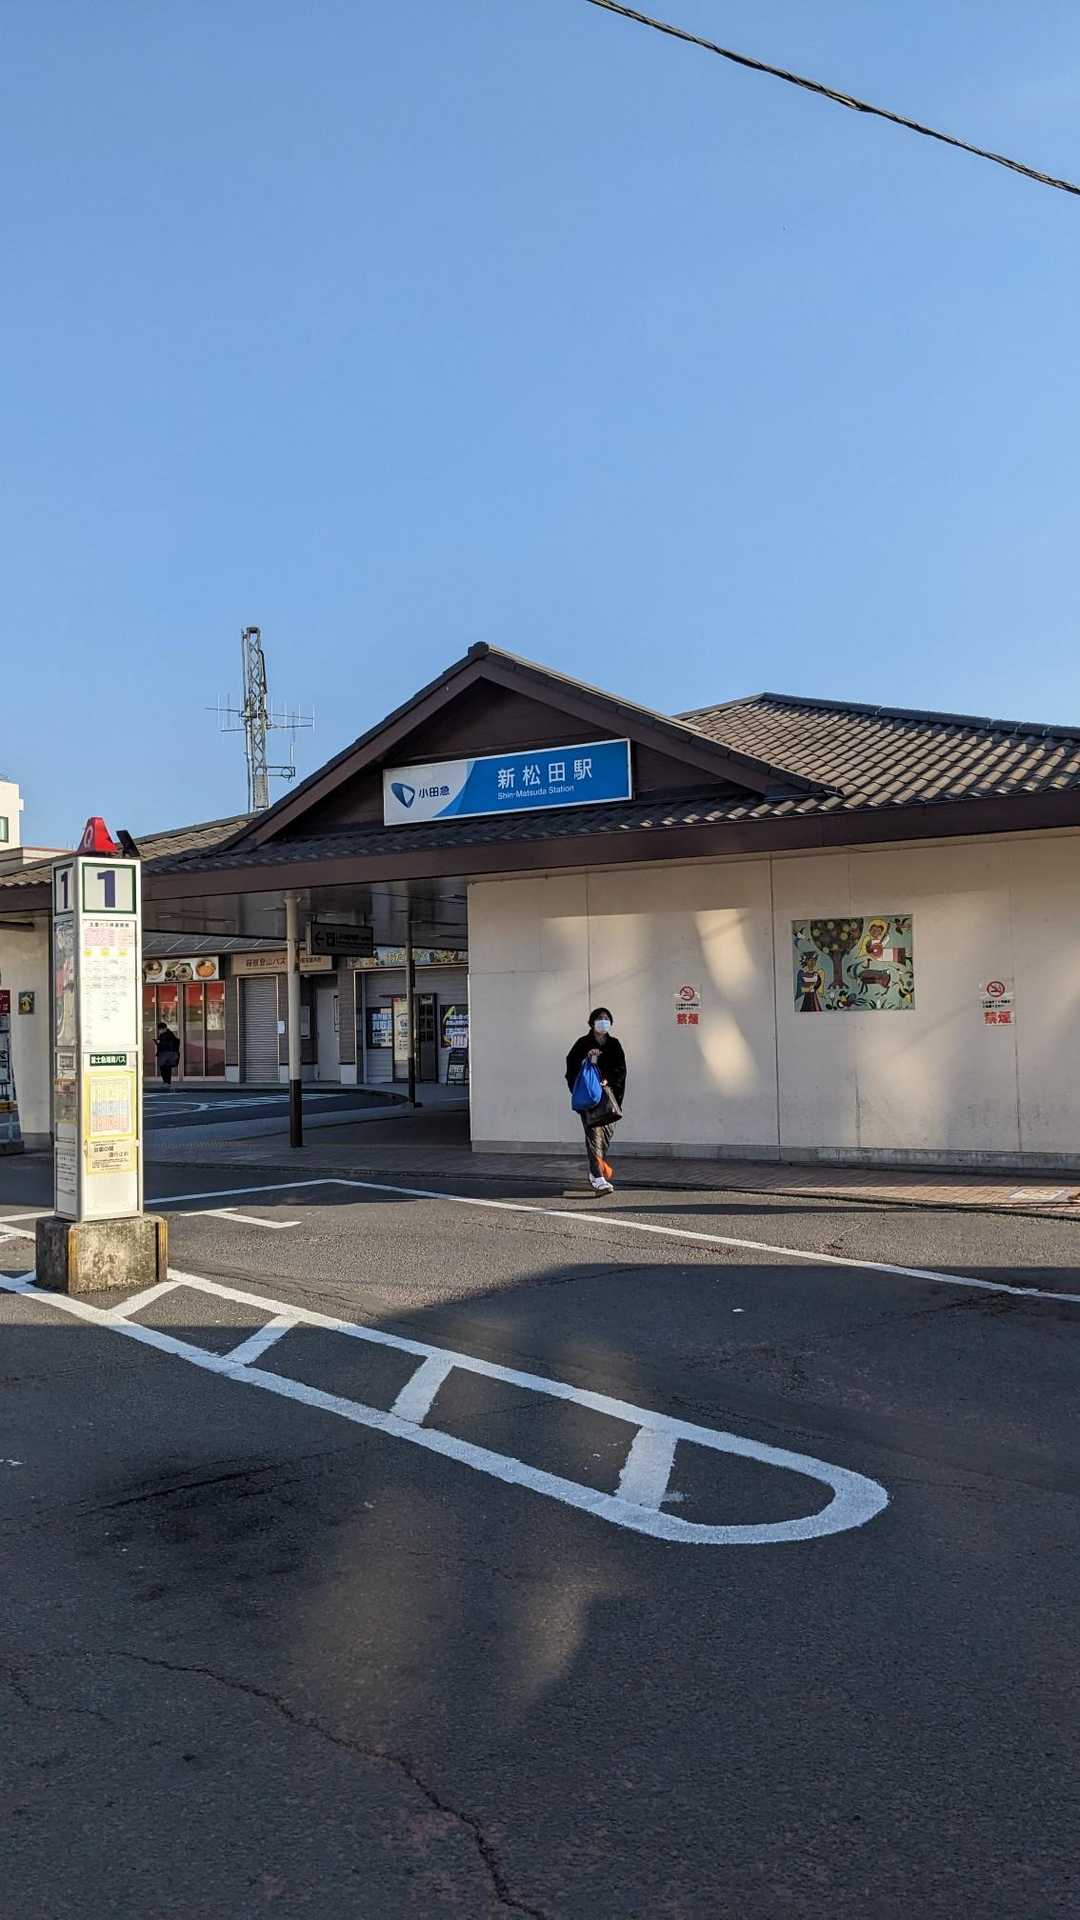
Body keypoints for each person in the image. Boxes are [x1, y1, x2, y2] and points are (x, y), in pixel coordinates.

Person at [565, 1007, 627, 1195]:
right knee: (593, 1137)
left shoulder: (614, 1044)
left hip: (610, 1099)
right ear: (592, 1022)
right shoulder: (582, 1043)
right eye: (599, 1018)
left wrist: (607, 1080)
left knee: (604, 1138)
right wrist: (588, 1059)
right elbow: (571, 1068)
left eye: (606, 1018)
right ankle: (599, 1177)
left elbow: (621, 1070)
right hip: (589, 1100)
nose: (603, 1021)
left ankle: (595, 1171)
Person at [156, 1022, 180, 1088]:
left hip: (166, 1054)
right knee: (165, 1068)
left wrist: (159, 1042)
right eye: (159, 1029)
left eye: (160, 1029)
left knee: (165, 1068)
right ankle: (166, 1082)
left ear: (164, 1028)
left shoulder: (167, 1034)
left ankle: (166, 1082)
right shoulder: (167, 1034)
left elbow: (166, 1044)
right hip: (165, 1054)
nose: (159, 1031)